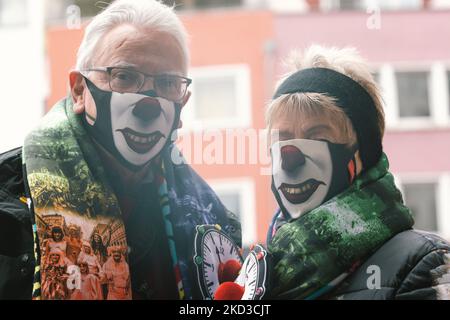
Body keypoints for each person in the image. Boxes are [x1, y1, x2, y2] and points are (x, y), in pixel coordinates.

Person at [0, 0, 240, 300]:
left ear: (183, 102)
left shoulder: (212, 223)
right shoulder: (7, 207)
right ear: (79, 90)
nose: (148, 102)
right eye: (124, 76)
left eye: (167, 82)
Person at [265, 45, 450, 300]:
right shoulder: (263, 273)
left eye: (317, 136)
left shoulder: (426, 262)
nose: (290, 157)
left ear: (362, 153)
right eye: (282, 139)